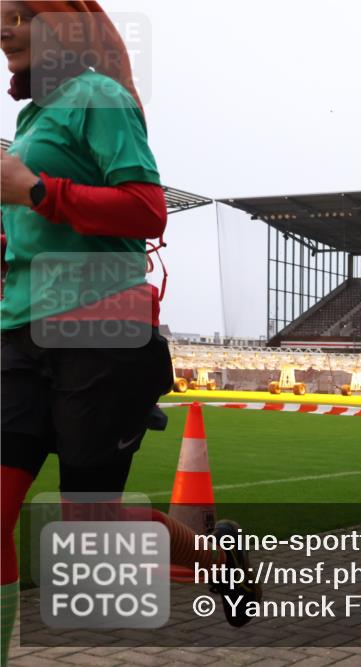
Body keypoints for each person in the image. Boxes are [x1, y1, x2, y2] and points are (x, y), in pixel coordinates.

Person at [0, 4, 260, 659]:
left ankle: (215, 557)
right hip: (19, 333)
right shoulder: (31, 118)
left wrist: (35, 191)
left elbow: (148, 210)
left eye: (19, 15)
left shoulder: (100, 96)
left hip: (97, 334)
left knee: (89, 530)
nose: (3, 30)